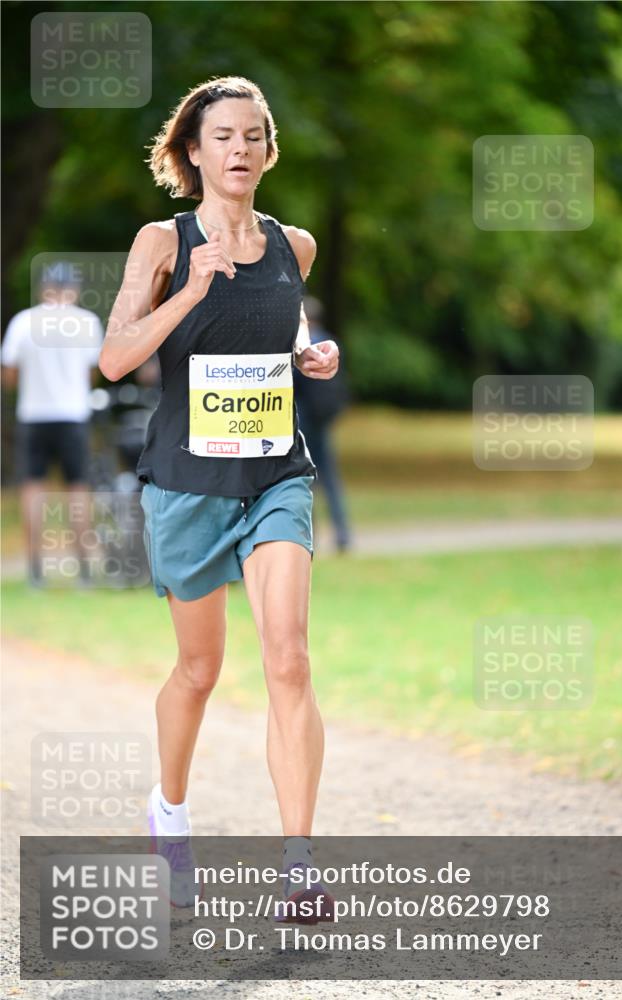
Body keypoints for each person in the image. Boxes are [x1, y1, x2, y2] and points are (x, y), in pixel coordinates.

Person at [99, 77, 339, 917]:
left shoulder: (292, 244)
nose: (239, 149)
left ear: (269, 151)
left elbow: (285, 325)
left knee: (289, 659)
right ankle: (169, 812)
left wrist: (312, 350)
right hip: (188, 482)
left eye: (253, 136)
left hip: (275, 473)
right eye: (222, 136)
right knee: (199, 670)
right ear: (193, 151)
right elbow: (116, 357)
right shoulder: (161, 242)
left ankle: (300, 866)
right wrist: (191, 292)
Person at [0, 262, 104, 585]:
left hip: (34, 415)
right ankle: (84, 569)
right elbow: (95, 372)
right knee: (78, 487)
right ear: (72, 289)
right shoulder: (87, 323)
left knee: (33, 487)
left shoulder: (23, 322)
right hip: (74, 414)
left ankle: (35, 569)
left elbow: (9, 375)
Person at [294, 295, 352, 551]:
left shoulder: (300, 345)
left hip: (302, 418)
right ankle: (342, 533)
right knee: (329, 478)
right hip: (323, 419)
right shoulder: (330, 341)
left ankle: (311, 535)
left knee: (303, 478)